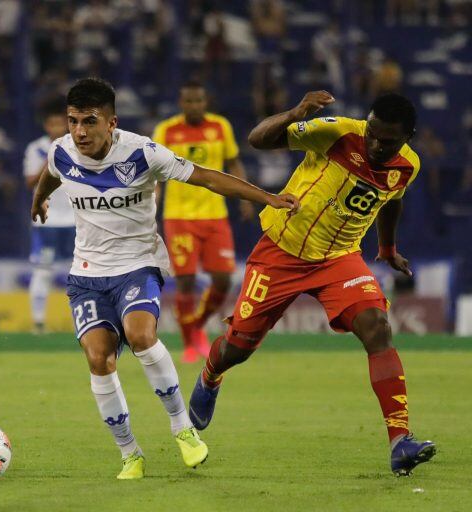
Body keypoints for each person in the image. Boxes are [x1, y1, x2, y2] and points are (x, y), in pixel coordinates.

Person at [31, 78, 298, 479]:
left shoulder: (142, 152)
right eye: (73, 122)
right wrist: (39, 200)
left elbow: (208, 176)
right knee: (98, 359)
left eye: (89, 121)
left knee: (140, 336)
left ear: (112, 122)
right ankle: (130, 454)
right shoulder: (62, 151)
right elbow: (50, 173)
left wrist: (269, 198)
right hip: (86, 275)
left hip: (137, 264)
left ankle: (182, 428)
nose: (79, 131)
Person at [188, 91, 437, 476]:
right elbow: (258, 139)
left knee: (378, 329)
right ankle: (210, 375)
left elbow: (392, 200)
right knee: (237, 348)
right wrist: (294, 113)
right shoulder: (336, 133)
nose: (374, 144)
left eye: (386, 141)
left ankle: (400, 441)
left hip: (340, 259)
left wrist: (386, 248)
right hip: (281, 252)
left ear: (407, 138)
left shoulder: (408, 165)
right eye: (372, 133)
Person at [152, 81, 254, 363]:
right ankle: (189, 344)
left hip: (215, 215)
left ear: (205, 102)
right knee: (185, 281)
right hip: (179, 216)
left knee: (223, 279)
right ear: (181, 103)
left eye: (198, 101)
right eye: (189, 101)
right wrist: (152, 207)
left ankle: (197, 325)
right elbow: (156, 174)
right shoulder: (166, 130)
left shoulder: (220, 126)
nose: (194, 106)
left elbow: (233, 163)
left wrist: (244, 197)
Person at [23, 100, 72, 334]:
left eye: (60, 123)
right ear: (46, 126)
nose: (56, 128)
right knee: (43, 271)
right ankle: (39, 323)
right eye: (52, 124)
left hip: (75, 219)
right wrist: (50, 160)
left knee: (81, 272)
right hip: (47, 221)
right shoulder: (36, 149)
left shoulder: (78, 146)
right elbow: (30, 182)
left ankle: (83, 322)